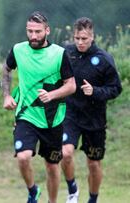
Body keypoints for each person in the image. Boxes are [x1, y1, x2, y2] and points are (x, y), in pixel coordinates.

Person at [2, 11, 76, 203]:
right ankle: (33, 191)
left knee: (52, 166)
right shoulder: (18, 50)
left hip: (53, 118)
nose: (33, 36)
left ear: (47, 31)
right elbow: (7, 69)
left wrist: (51, 95)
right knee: (23, 157)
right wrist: (7, 95)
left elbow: (71, 85)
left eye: (37, 31)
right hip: (26, 115)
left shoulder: (59, 54)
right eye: (29, 31)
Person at [60, 17, 122, 203]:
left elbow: (116, 89)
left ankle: (92, 199)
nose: (80, 42)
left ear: (92, 37)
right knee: (65, 153)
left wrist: (95, 91)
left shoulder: (104, 60)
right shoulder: (66, 53)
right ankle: (72, 191)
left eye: (84, 39)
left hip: (94, 118)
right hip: (70, 114)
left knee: (94, 164)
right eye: (77, 38)